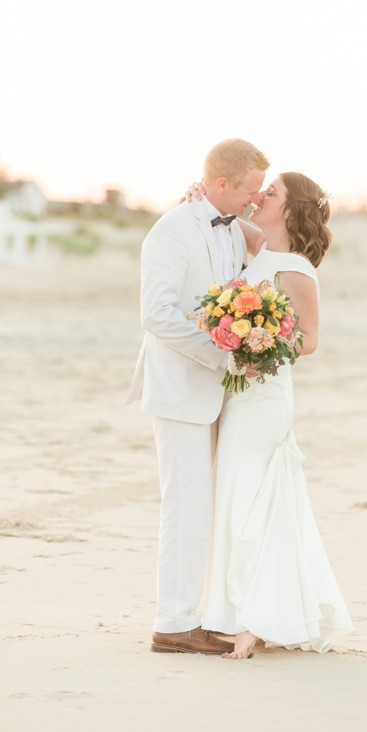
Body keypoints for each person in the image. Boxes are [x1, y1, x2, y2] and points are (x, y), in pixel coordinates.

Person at [199, 171, 354, 659]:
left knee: (254, 501)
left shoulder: (295, 268)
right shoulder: (260, 248)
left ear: (288, 209)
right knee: (233, 497)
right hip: (237, 394)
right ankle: (240, 609)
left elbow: (309, 341)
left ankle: (252, 620)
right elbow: (216, 214)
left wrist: (256, 337)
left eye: (272, 192)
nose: (260, 195)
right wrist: (197, 196)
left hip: (265, 397)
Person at [125, 138, 269, 654]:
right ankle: (174, 625)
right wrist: (222, 353)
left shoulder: (231, 228)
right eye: (249, 190)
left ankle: (193, 615)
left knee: (201, 509)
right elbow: (156, 314)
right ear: (222, 184)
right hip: (180, 387)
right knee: (184, 508)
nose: (255, 200)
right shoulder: (170, 230)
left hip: (213, 392)